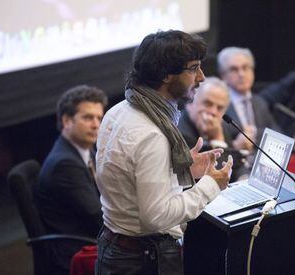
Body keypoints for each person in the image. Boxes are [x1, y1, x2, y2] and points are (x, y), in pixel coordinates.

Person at [95, 30, 233, 275]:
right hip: (142, 260)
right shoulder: (152, 135)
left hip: (116, 249)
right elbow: (157, 217)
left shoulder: (119, 110)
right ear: (167, 74)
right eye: (193, 69)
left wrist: (180, 168)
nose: (201, 77)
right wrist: (211, 184)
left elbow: (128, 178)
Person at [34, 85, 108, 275]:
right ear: (67, 120)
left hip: (91, 238)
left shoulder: (86, 151)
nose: (96, 124)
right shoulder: (64, 164)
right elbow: (98, 216)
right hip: (77, 251)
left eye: (99, 118)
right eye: (88, 117)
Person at [178, 76, 250, 181]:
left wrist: (243, 177)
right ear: (191, 102)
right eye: (208, 104)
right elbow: (218, 179)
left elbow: (236, 163)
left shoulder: (221, 125)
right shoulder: (181, 133)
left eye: (219, 108)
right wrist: (218, 139)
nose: (213, 112)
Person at [217, 47, 279, 151]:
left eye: (245, 68)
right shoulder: (218, 105)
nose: (241, 74)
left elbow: (278, 135)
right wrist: (235, 146)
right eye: (234, 69)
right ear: (223, 76)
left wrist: (255, 134)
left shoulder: (260, 102)